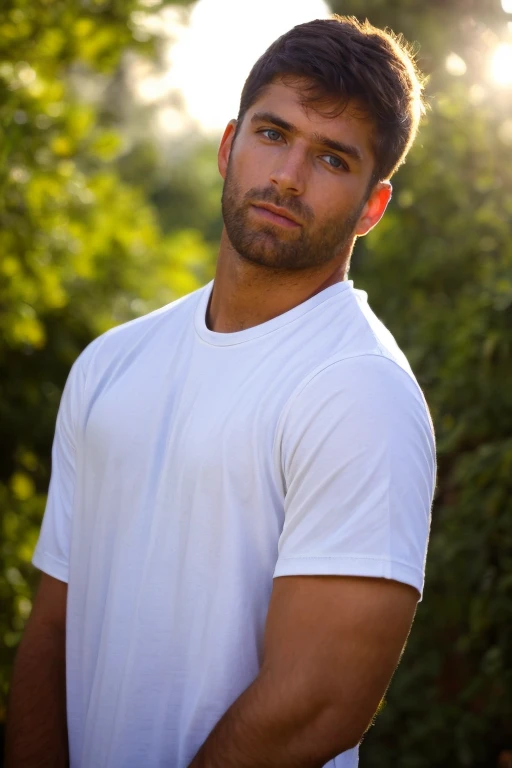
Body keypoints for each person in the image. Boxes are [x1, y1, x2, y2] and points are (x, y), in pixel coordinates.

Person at [5, 15, 436, 768]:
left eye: (332, 158)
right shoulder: (111, 363)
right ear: (228, 145)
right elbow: (52, 632)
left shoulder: (359, 392)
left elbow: (317, 701)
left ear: (372, 206)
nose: (288, 178)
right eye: (273, 135)